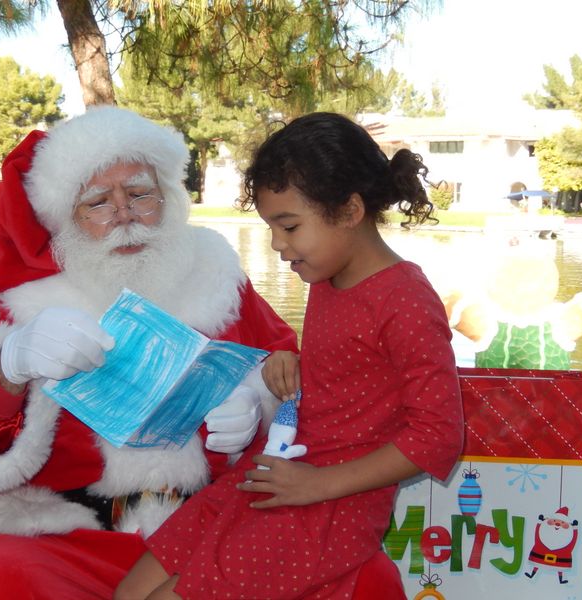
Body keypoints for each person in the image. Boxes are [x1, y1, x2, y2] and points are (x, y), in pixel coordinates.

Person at [0, 106, 298, 599]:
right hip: (66, 534)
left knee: (352, 575)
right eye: (97, 203)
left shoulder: (218, 278)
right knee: (2, 577)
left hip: (211, 525)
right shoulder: (24, 303)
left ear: (168, 198)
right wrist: (9, 367)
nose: (125, 216)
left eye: (139, 194)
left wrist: (258, 404)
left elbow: (290, 371)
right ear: (65, 217)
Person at [117, 112, 465, 599]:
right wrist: (296, 365)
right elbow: (357, 371)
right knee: (129, 593)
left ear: (349, 211)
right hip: (277, 474)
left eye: (289, 226)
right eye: (272, 228)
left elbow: (438, 439)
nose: (279, 245)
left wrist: (314, 486)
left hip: (328, 506)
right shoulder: (326, 277)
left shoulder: (404, 299)